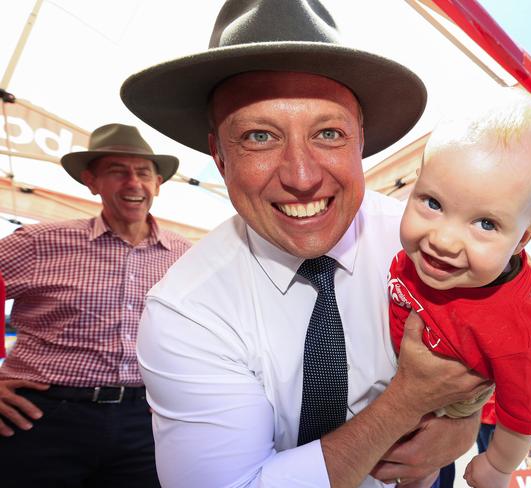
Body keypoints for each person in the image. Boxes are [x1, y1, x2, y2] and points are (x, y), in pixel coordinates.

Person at [120, 1, 491, 486]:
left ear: (360, 141)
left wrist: (465, 421)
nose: (301, 176)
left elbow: (520, 315)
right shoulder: (187, 309)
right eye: (258, 136)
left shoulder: (430, 240)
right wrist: (409, 400)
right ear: (218, 156)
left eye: (329, 133)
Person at [387, 87, 531, 488]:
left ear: (523, 239)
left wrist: (498, 466)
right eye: (432, 203)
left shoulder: (516, 324)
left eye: (486, 224)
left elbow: (522, 415)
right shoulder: (412, 257)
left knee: (418, 468)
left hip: (448, 408)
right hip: (393, 382)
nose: (444, 241)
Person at [0, 123, 191, 487]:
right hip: (42, 413)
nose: (133, 184)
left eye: (143, 173)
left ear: (158, 184)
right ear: (91, 181)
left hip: (145, 419)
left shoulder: (184, 255)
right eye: (117, 172)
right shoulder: (41, 242)